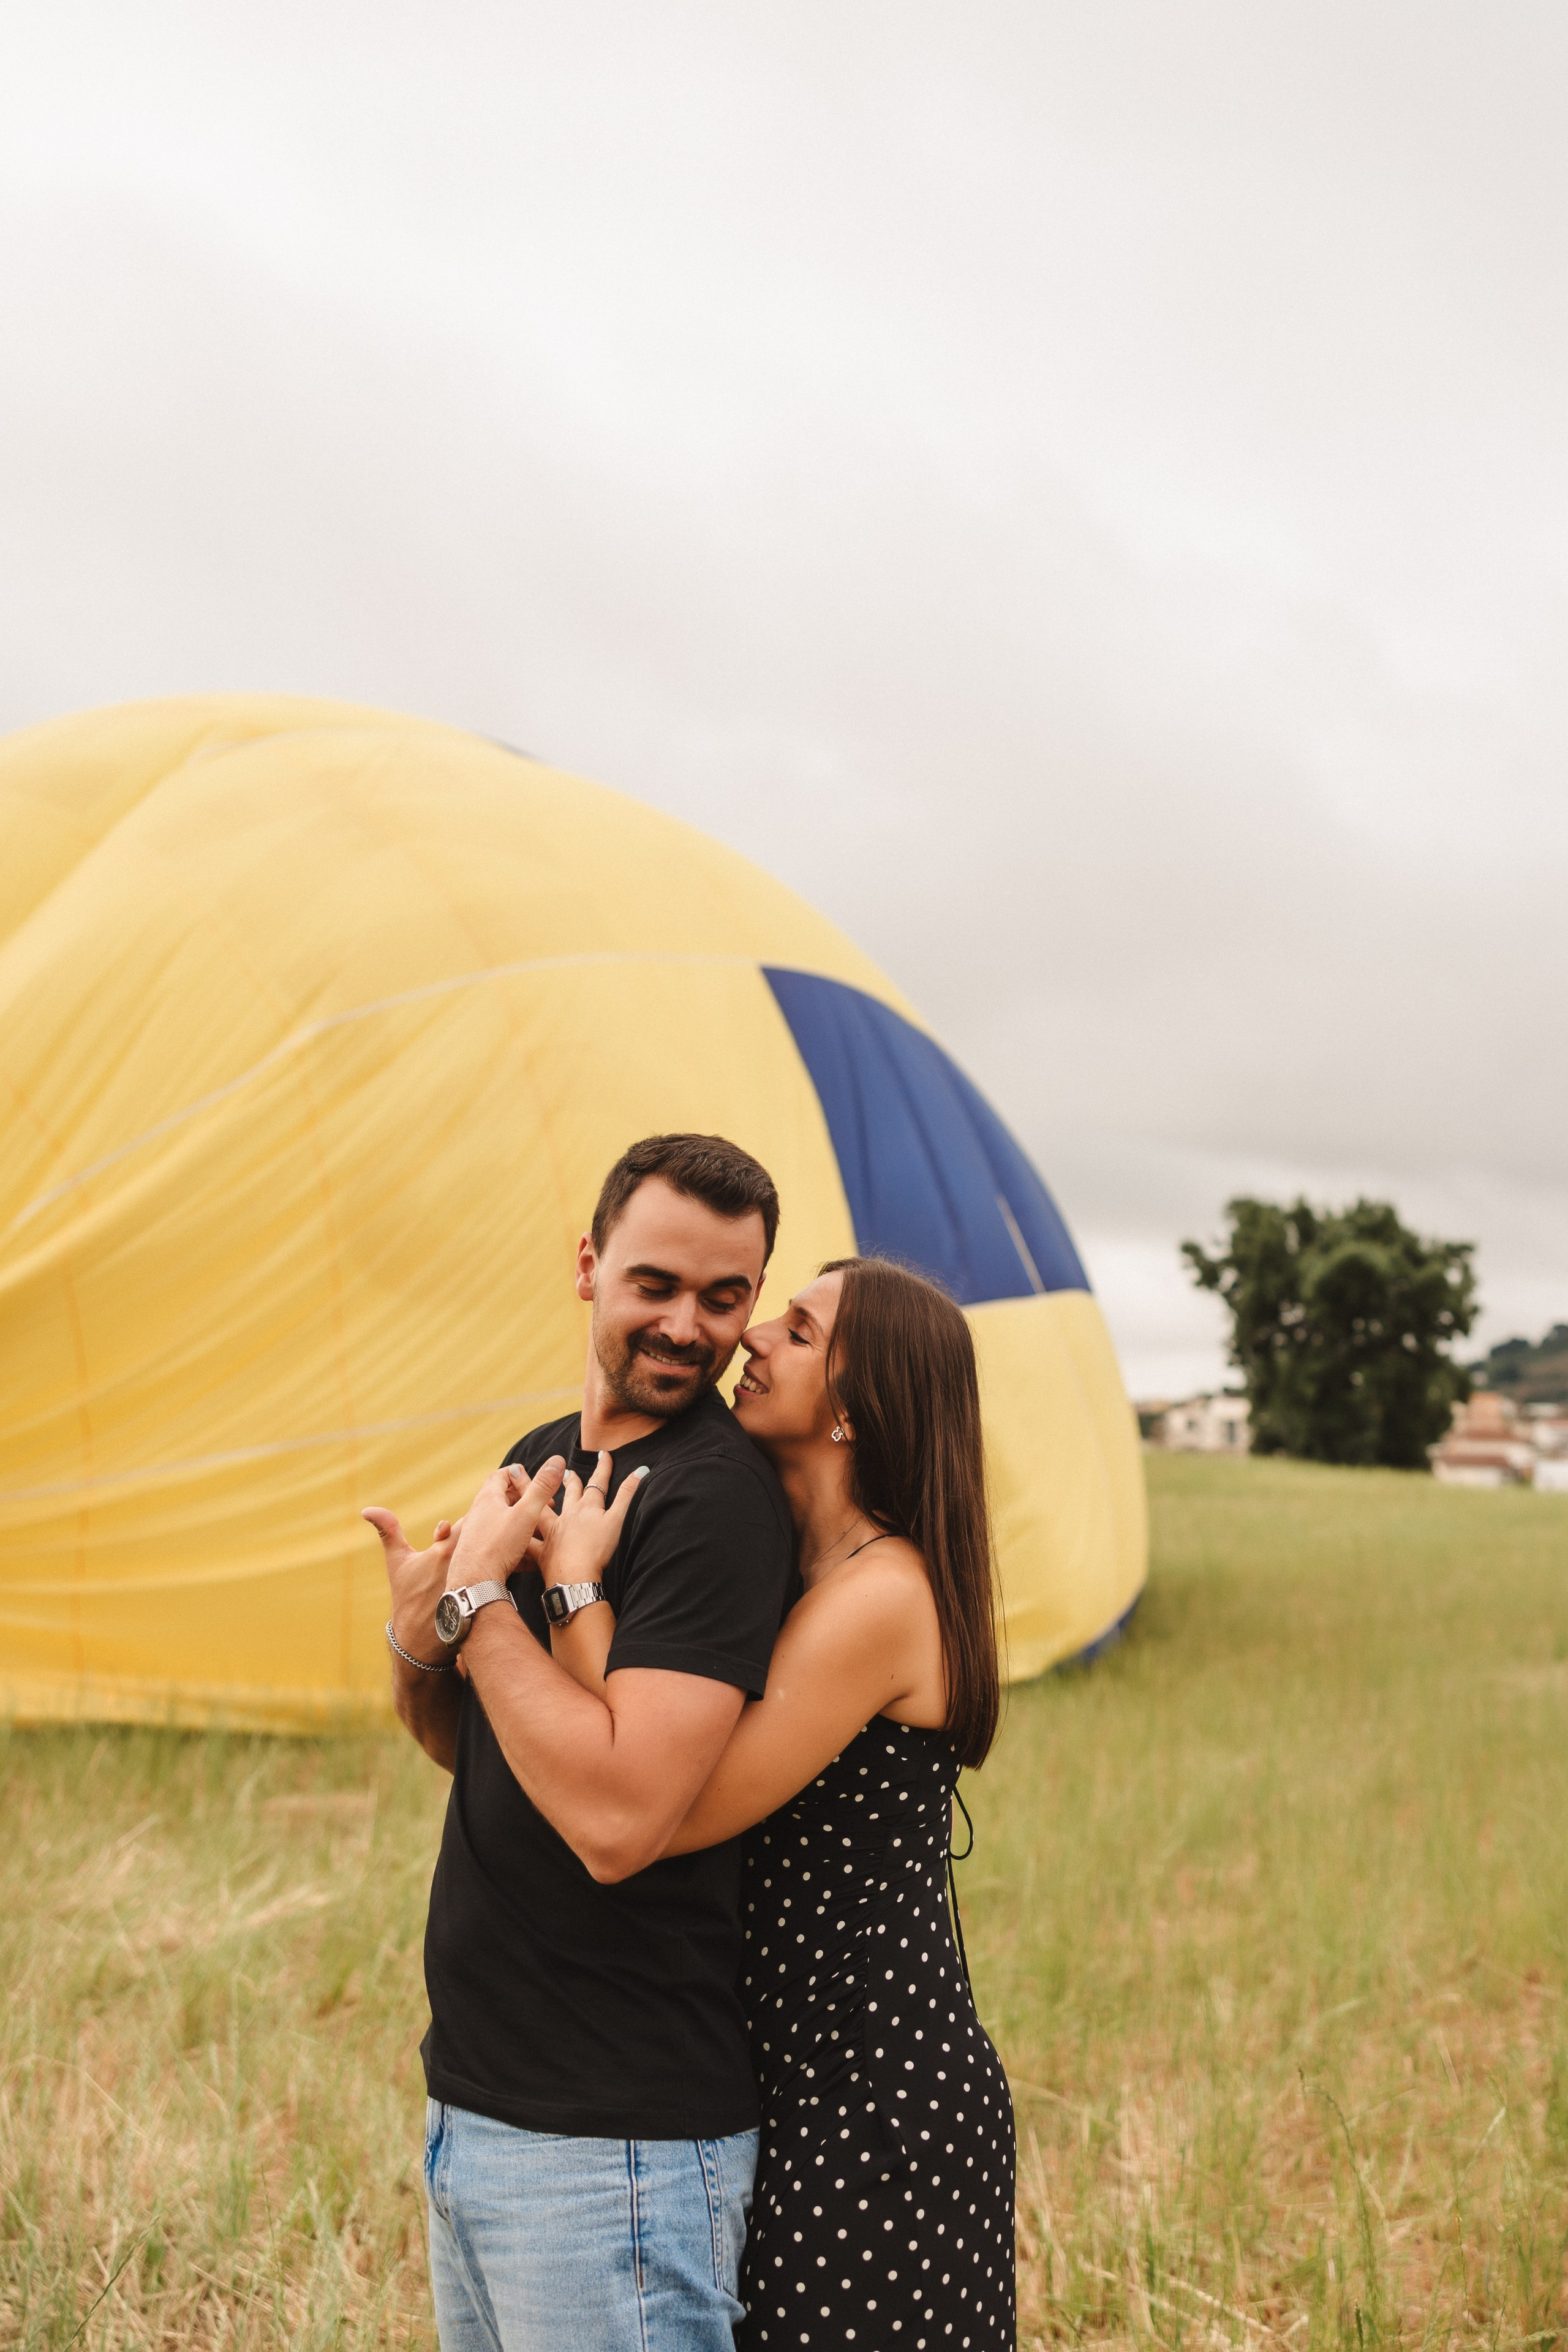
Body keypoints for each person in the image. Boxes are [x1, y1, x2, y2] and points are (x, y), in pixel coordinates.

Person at [500, 1253, 1018, 2350]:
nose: (752, 1341)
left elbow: (665, 1805)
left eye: (797, 1330)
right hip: (787, 2061)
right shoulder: (804, 1570)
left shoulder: (881, 1597)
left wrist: (576, 1590)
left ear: (857, 1406)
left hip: (868, 2084)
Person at [363, 1133, 797, 2352]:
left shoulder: (712, 1504)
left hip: (618, 2151)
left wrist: (485, 1603)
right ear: (587, 1265)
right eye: (654, 1284)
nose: (685, 1326)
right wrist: (421, 1639)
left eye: (725, 1298)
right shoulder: (542, 1461)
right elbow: (493, 1753)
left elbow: (614, 1823)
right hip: (484, 2108)